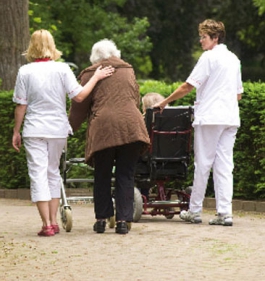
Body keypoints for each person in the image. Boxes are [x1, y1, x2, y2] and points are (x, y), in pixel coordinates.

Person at [12, 29, 114, 237]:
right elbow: (79, 96)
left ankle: (47, 223)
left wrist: (16, 131)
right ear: (52, 45)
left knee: (37, 174)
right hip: (57, 129)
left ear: (31, 47)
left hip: (34, 129)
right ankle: (54, 222)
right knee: (53, 173)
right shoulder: (62, 69)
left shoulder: (25, 72)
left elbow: (21, 105)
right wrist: (95, 77)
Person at [154, 19, 243, 226]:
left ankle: (194, 211)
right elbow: (238, 95)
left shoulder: (209, 57)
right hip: (230, 118)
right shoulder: (234, 59)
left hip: (210, 118)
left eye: (204, 37)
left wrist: (164, 102)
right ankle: (225, 212)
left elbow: (188, 86)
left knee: (202, 164)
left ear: (215, 38)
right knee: (224, 165)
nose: (201, 41)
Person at [69, 39, 150, 234]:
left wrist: (69, 128)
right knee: (125, 174)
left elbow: (79, 107)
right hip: (131, 126)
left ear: (95, 58)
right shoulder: (128, 70)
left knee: (102, 173)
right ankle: (123, 220)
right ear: (115, 54)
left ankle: (101, 219)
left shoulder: (90, 73)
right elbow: (135, 98)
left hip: (104, 128)